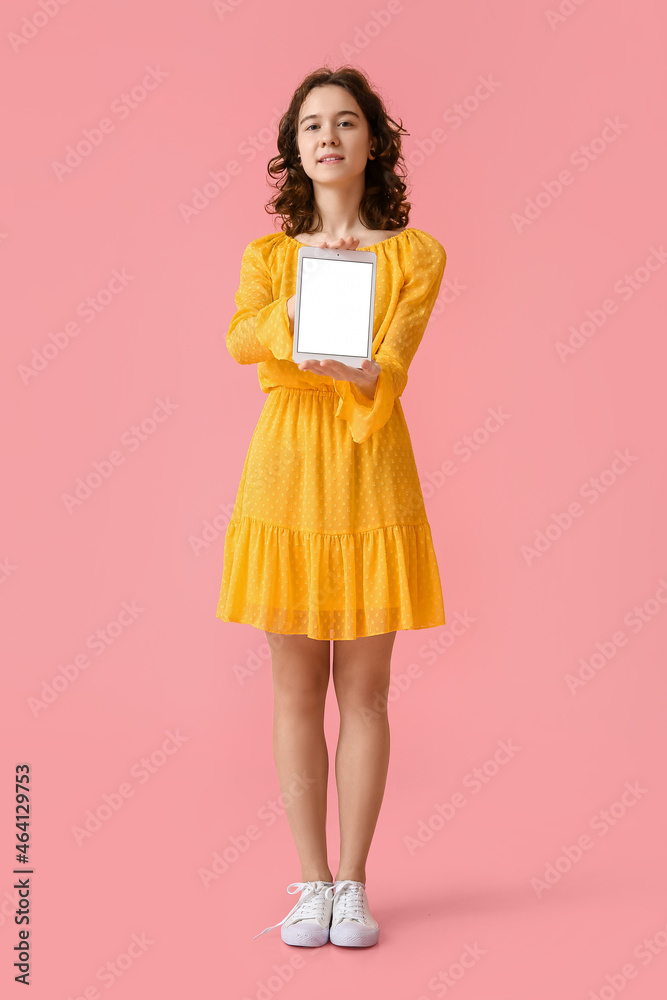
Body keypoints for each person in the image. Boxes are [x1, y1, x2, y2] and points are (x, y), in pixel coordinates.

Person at [216, 65, 448, 948]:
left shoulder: (413, 253)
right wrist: (297, 312)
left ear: (371, 143)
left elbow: (394, 355)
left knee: (366, 690)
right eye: (311, 125)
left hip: (368, 461)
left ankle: (352, 884)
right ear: (294, 148)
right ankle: (308, 882)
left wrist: (362, 369)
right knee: (292, 689)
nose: (326, 136)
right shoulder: (270, 257)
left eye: (345, 122)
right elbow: (242, 337)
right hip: (283, 470)